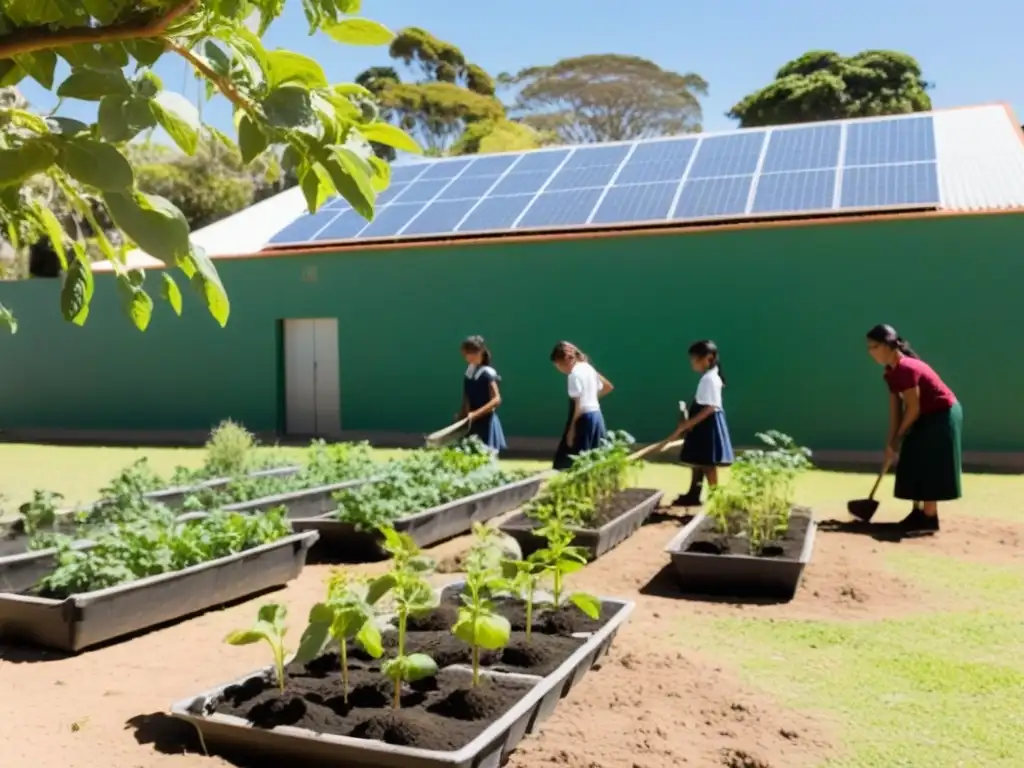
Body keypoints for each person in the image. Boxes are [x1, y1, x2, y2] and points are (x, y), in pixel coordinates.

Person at [865, 324, 962, 532]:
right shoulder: (890, 373)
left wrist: (899, 437)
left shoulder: (907, 368)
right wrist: (890, 441)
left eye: (873, 347)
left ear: (887, 346)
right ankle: (917, 514)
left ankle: (929, 518)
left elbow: (914, 407)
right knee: (913, 457)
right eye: (868, 348)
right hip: (925, 414)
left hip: (942, 415)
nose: (870, 353)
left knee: (928, 461)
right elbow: (896, 412)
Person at [665, 339, 735, 507]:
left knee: (708, 464)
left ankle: (716, 499)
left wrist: (688, 424)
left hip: (707, 425)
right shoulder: (709, 377)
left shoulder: (710, 379)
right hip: (702, 424)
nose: (692, 363)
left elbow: (711, 407)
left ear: (708, 358)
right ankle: (693, 494)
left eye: (695, 359)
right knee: (699, 461)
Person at [550, 341, 614, 470]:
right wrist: (590, 399)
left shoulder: (574, 375)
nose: (558, 368)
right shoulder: (588, 368)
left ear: (567, 359)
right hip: (597, 417)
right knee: (596, 460)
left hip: (584, 420)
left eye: (558, 364)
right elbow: (607, 387)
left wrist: (571, 430)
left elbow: (578, 406)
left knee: (571, 462)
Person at [457, 335, 507, 453]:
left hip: (487, 425)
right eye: (467, 353)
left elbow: (496, 399)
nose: (469, 356)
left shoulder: (487, 373)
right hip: (472, 424)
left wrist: (475, 414)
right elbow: (466, 396)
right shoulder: (469, 371)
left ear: (481, 352)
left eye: (473, 352)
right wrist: (462, 415)